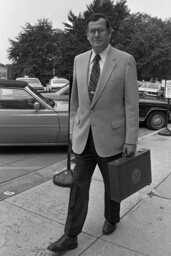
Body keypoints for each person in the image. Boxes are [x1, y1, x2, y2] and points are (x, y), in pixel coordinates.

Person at [47, 13, 139, 253]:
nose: (96, 34)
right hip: (84, 138)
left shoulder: (125, 60)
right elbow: (76, 101)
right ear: (87, 35)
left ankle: (112, 217)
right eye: (91, 31)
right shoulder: (79, 60)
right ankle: (71, 235)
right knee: (78, 186)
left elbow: (131, 103)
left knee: (113, 185)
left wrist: (131, 139)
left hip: (113, 138)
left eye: (100, 30)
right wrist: (73, 129)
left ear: (109, 33)